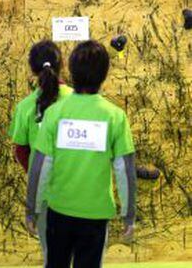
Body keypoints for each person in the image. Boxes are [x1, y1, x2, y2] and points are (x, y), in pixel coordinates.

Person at [26, 40, 136, 268]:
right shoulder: (115, 116)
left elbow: (40, 166)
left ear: (72, 71)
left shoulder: (55, 113)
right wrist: (128, 213)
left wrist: (32, 210)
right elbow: (124, 170)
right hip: (95, 216)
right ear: (104, 74)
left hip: (59, 212)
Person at [9, 40, 72, 264]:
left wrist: (38, 175)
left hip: (46, 195)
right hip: (81, 191)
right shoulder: (80, 102)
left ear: (32, 70)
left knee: (53, 259)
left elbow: (21, 151)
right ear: (62, 64)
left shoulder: (25, 107)